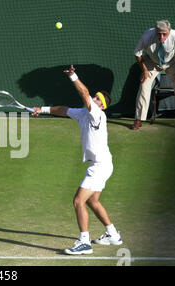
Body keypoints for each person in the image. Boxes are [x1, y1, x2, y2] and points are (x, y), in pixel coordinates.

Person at [32, 65, 122, 255]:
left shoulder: (97, 115)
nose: (94, 99)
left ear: (101, 107)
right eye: (95, 96)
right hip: (104, 164)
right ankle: (113, 234)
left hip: (99, 166)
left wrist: (73, 76)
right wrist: (43, 109)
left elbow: (84, 92)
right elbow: (63, 110)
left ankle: (84, 242)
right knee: (92, 201)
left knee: (78, 201)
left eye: (98, 99)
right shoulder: (83, 114)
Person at [131, 20, 175, 131]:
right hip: (152, 62)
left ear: (169, 31)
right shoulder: (147, 36)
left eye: (164, 34)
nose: (161, 36)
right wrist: (144, 71)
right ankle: (138, 119)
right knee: (144, 86)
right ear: (155, 31)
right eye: (159, 33)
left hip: (172, 62)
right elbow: (137, 55)